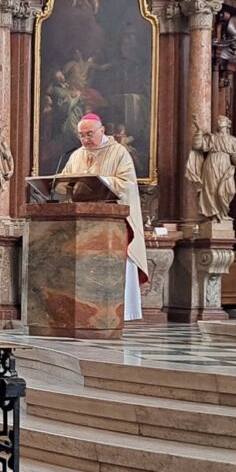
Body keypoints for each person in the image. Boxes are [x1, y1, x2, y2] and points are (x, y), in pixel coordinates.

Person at [60, 113, 148, 321]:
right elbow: (64, 182)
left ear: (102, 130)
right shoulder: (77, 155)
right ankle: (86, 312)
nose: (85, 140)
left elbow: (127, 184)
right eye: (81, 135)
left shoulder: (119, 153)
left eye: (89, 134)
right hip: (82, 226)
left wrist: (100, 181)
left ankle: (119, 313)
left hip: (112, 225)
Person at [186, 114, 236, 222]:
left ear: (227, 124)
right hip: (212, 164)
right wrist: (198, 128)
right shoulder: (212, 137)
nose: (219, 121)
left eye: (222, 120)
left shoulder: (232, 140)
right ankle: (214, 215)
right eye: (218, 120)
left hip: (226, 164)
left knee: (230, 190)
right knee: (212, 190)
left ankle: (223, 213)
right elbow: (197, 146)